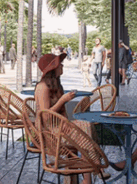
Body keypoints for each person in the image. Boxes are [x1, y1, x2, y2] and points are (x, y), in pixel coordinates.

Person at [34, 51, 90, 184]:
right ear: (53, 68)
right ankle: (92, 172)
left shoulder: (57, 86)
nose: (62, 66)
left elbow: (62, 115)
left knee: (85, 125)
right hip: (49, 135)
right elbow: (45, 117)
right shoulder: (42, 87)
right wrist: (62, 100)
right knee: (84, 129)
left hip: (59, 129)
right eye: (60, 64)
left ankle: (86, 178)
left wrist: (66, 123)